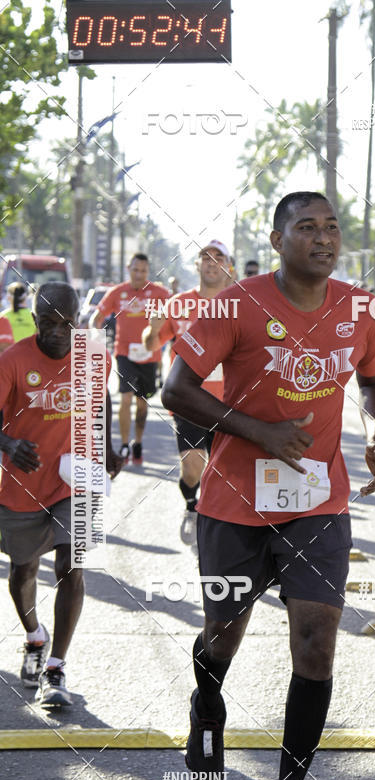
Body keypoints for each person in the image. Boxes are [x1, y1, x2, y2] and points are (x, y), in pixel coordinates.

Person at [162, 191, 375, 780]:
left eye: (332, 227)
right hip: (235, 501)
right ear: (277, 239)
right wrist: (259, 430)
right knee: (223, 633)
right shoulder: (236, 305)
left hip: (318, 503)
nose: (323, 238)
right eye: (307, 227)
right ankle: (208, 702)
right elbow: (176, 389)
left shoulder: (362, 308)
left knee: (317, 644)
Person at [0, 282, 122, 707]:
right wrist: (9, 444)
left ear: (78, 322)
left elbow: (101, 399)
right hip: (23, 481)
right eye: (48, 323)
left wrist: (108, 445)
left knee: (72, 564)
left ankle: (56, 668)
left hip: (75, 477)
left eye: (66, 324)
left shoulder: (94, 357)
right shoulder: (12, 361)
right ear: (35, 320)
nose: (56, 332)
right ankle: (35, 636)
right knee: (23, 572)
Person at [142, 241, 231, 545]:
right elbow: (151, 345)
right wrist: (153, 328)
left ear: (228, 266)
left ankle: (217, 522)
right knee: (192, 468)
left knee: (223, 471)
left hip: (229, 402)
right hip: (188, 399)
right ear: (197, 265)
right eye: (205, 257)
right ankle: (192, 505)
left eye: (219, 257)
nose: (211, 262)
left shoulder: (240, 303)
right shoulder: (178, 303)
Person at [90, 253, 170, 464]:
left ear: (148, 271)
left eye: (143, 271)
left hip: (150, 354)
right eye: (135, 270)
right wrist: (94, 338)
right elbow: (97, 317)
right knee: (126, 398)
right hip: (124, 353)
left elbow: (176, 313)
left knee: (142, 404)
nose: (139, 275)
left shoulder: (159, 293)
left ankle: (138, 442)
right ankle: (124, 444)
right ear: (128, 269)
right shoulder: (118, 292)